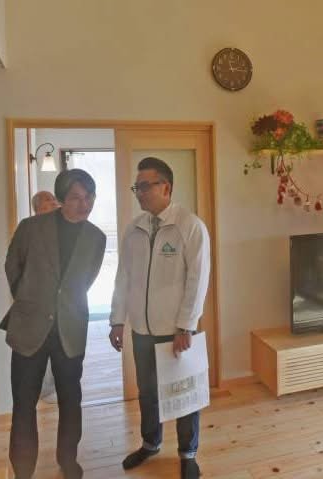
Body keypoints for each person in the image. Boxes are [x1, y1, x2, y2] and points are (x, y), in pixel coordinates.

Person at [0, 169, 106, 479]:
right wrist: (30, 299)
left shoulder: (97, 237)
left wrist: (64, 305)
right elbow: (12, 265)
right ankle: (23, 470)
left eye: (89, 197)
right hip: (29, 327)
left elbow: (87, 278)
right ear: (61, 199)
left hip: (70, 329)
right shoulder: (31, 227)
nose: (84, 204)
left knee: (71, 400)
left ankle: (68, 460)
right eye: (76, 198)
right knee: (24, 403)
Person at [109, 157, 210, 479]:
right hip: (141, 329)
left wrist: (186, 326)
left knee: (183, 393)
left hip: (175, 331)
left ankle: (188, 454)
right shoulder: (134, 229)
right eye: (136, 187)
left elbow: (197, 279)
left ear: (165, 187)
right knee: (147, 391)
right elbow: (123, 277)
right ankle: (150, 443)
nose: (139, 192)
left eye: (145, 186)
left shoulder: (189, 226)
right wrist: (117, 319)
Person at [30, 190, 61, 403]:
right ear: (38, 208)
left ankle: (56, 385)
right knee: (42, 343)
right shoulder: (30, 229)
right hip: (38, 299)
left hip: (61, 300)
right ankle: (45, 388)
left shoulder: (61, 227)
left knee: (60, 343)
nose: (54, 202)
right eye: (49, 200)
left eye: (54, 199)